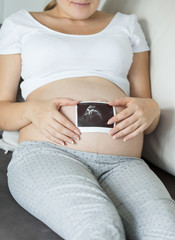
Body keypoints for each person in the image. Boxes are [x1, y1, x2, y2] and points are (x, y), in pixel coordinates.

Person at [0, 0, 175, 239]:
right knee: (100, 229)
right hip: (48, 153)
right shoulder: (19, 24)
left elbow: (146, 116)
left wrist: (152, 109)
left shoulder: (128, 25)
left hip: (124, 163)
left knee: (166, 230)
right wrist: (32, 111)